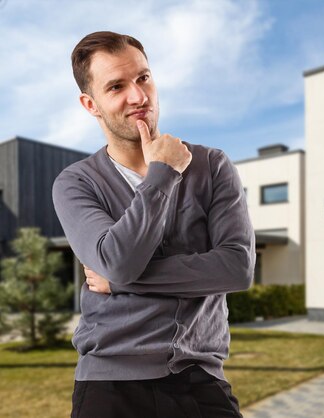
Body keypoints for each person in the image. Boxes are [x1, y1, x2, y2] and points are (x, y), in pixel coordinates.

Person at [52, 31, 255, 418]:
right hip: (110, 383)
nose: (138, 97)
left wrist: (120, 282)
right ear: (90, 104)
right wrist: (162, 173)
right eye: (116, 86)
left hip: (200, 377)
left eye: (143, 78)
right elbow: (118, 260)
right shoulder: (75, 183)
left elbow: (236, 268)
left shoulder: (212, 166)